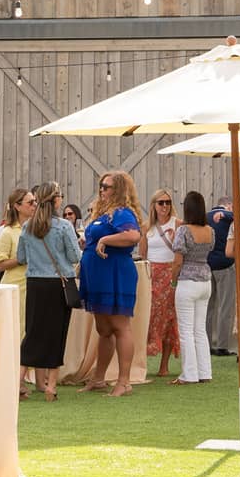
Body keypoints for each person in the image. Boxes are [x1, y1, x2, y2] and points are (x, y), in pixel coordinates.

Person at [16, 182, 81, 401]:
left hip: (35, 282)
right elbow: (75, 257)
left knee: (33, 332)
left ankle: (19, 381)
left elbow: (22, 257)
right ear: (55, 201)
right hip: (57, 284)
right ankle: (50, 386)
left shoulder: (27, 227)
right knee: (56, 334)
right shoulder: (63, 226)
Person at [79, 170, 143, 397]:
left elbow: (133, 236)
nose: (102, 190)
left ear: (119, 190)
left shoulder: (123, 212)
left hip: (115, 274)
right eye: (101, 186)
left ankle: (124, 381)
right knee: (103, 328)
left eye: (107, 187)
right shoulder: (103, 212)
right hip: (97, 275)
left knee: (120, 326)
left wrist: (105, 239)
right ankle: (98, 378)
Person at [167, 191, 215, 383]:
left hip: (187, 281)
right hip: (205, 280)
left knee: (186, 330)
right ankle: (205, 372)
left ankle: (189, 374)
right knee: (199, 330)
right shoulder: (210, 231)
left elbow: (177, 261)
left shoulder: (183, 231)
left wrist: (173, 281)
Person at [139, 188, 181, 377]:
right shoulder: (146, 227)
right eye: (161, 202)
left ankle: (164, 365)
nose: (165, 206)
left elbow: (182, 252)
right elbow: (142, 254)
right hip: (151, 274)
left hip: (170, 274)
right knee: (148, 317)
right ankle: (142, 363)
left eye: (168, 202)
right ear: (154, 205)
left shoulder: (178, 224)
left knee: (168, 318)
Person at [0, 188, 34, 331]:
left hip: (33, 285)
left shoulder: (36, 230)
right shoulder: (8, 232)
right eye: (30, 202)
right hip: (16, 287)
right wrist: (20, 259)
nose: (34, 205)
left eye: (35, 201)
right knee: (17, 327)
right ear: (17, 206)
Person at [205, 195, 237, 356]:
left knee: (208, 308)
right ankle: (223, 345)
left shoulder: (205, 217)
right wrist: (226, 214)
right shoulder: (229, 216)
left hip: (207, 265)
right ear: (229, 205)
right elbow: (238, 214)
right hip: (225, 265)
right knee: (225, 307)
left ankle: (206, 343)